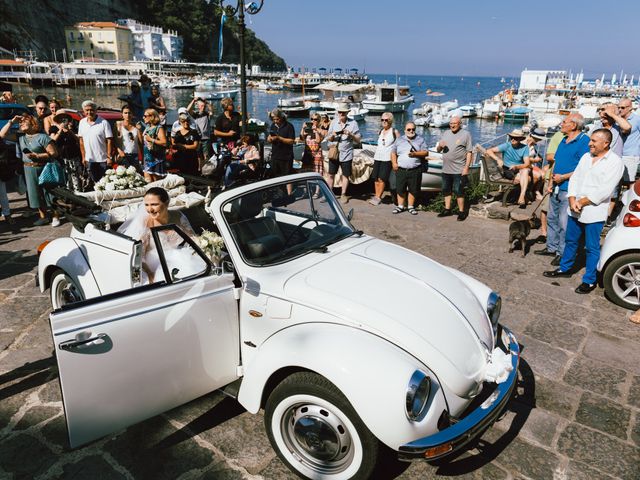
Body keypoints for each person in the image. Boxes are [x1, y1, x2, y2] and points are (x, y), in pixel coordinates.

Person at [543, 129, 624, 294]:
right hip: (575, 207)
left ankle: (590, 280)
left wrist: (582, 201)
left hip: (594, 211)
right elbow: (575, 178)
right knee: (571, 240)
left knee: (591, 247)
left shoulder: (615, 162)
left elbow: (606, 190)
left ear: (606, 143)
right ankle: (565, 268)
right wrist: (572, 198)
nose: (589, 143)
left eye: (594, 141)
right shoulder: (586, 157)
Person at [535, 114, 589, 266]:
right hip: (556, 186)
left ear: (573, 125)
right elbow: (556, 162)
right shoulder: (563, 140)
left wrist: (563, 177)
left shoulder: (584, 142)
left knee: (564, 222)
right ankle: (551, 247)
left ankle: (562, 253)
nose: (561, 125)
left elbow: (582, 169)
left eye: (564, 122)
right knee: (552, 218)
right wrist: (552, 180)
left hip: (569, 188)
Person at [117, 187, 196, 284]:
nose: (150, 209)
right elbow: (138, 256)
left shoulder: (178, 216)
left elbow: (193, 239)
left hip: (180, 257)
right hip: (153, 265)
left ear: (166, 203)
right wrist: (150, 273)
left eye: (154, 204)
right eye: (146, 205)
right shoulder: (144, 224)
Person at [0, 114, 60, 226]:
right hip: (28, 168)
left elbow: (54, 153)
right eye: (20, 122)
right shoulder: (21, 136)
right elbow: (2, 135)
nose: (20, 123)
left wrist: (38, 156)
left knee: (49, 192)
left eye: (24, 121)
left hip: (43, 167)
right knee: (34, 193)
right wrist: (11, 121)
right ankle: (43, 216)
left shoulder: (42, 137)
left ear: (33, 123)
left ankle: (55, 216)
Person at [436, 116, 473, 220]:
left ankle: (461, 212)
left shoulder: (466, 134)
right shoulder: (446, 133)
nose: (452, 125)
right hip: (446, 168)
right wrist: (440, 146)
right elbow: (438, 150)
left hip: (459, 169)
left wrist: (466, 168)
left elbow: (469, 152)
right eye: (451, 123)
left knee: (459, 191)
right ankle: (447, 209)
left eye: (455, 123)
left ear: (460, 124)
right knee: (446, 189)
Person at [484, 129, 532, 208]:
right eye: (511, 137)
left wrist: (516, 166)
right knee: (528, 179)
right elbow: (489, 151)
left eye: (515, 138)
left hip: (519, 170)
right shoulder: (506, 145)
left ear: (520, 139)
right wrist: (498, 159)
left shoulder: (525, 148)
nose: (513, 139)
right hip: (508, 171)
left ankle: (521, 196)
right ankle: (523, 197)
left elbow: (527, 163)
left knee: (525, 171)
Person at [391, 121, 428, 215]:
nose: (411, 131)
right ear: (405, 130)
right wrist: (394, 163)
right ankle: (400, 206)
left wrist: (415, 154)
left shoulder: (420, 139)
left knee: (413, 189)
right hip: (401, 169)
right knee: (400, 188)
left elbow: (425, 152)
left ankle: (411, 206)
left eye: (413, 129)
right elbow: (393, 152)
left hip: (415, 169)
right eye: (409, 129)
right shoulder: (399, 140)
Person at [326, 104, 361, 203]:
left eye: (343, 112)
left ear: (347, 112)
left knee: (345, 175)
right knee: (331, 174)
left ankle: (343, 194)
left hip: (347, 154)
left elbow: (358, 140)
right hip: (334, 153)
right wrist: (332, 136)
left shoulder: (353, 123)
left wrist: (350, 134)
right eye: (339, 112)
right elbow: (328, 138)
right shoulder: (333, 122)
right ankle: (329, 194)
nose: (341, 114)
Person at [78, 100, 113, 183]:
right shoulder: (82, 122)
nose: (89, 112)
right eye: (87, 110)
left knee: (104, 183)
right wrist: (83, 157)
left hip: (102, 159)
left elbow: (109, 141)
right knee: (93, 183)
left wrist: (109, 157)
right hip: (89, 160)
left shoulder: (104, 123)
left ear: (95, 110)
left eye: (91, 110)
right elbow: (81, 141)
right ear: (84, 111)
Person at [369, 112, 400, 206]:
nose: (384, 121)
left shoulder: (394, 131)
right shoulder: (380, 131)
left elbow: (400, 145)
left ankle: (378, 197)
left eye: (386, 120)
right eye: (382, 120)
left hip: (387, 158)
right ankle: (376, 195)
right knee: (375, 178)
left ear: (390, 120)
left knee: (382, 178)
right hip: (377, 157)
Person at [49, 110, 82, 192]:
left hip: (73, 156)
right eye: (61, 118)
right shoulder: (53, 128)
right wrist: (60, 130)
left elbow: (78, 140)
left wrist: (70, 131)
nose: (63, 120)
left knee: (75, 177)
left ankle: (78, 193)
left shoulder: (72, 128)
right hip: (62, 158)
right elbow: (53, 140)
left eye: (65, 118)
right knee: (66, 178)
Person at [609, 97, 640, 185]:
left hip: (630, 155)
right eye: (618, 107)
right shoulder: (618, 120)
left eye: (622, 108)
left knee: (629, 182)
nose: (620, 109)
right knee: (615, 181)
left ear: (630, 108)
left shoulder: (637, 120)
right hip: (617, 154)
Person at [267, 108, 296, 177]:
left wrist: (279, 138)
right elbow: (269, 137)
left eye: (277, 119)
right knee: (274, 176)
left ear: (281, 117)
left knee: (287, 177)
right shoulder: (273, 125)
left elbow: (292, 141)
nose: (275, 121)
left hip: (286, 157)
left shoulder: (289, 126)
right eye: (274, 119)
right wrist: (270, 139)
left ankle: (288, 188)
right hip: (275, 156)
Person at [141, 108, 167, 182]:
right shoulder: (148, 127)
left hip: (156, 160)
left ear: (152, 116)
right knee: (147, 182)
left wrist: (151, 139)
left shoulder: (159, 128)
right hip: (147, 159)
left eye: (145, 116)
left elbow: (164, 142)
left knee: (157, 183)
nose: (143, 117)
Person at [115, 105, 143, 172]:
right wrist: (119, 151)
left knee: (135, 176)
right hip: (124, 155)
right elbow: (115, 141)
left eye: (129, 113)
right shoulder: (118, 125)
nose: (128, 115)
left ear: (132, 114)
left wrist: (139, 130)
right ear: (122, 114)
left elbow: (141, 142)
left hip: (134, 155)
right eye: (125, 113)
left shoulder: (136, 126)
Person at [187, 96, 213, 168]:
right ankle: (199, 169)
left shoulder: (207, 114)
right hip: (197, 139)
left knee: (206, 155)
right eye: (201, 106)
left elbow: (211, 110)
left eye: (203, 106)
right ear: (198, 106)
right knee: (198, 156)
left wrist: (206, 102)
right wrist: (193, 101)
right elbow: (187, 110)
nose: (203, 107)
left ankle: (207, 170)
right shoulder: (195, 114)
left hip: (206, 138)